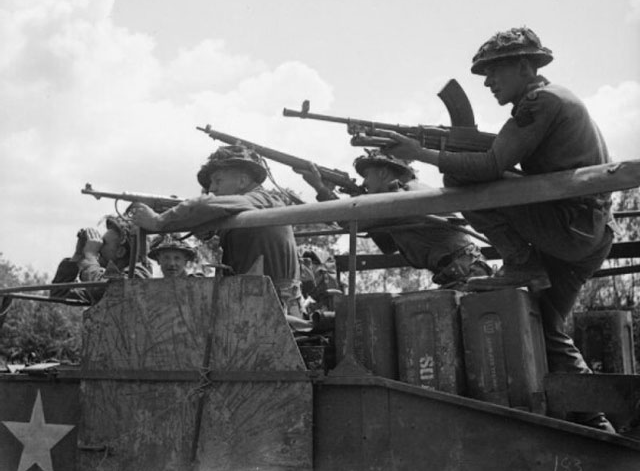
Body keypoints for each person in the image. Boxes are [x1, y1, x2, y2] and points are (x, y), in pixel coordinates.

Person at [378, 26, 617, 432]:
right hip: (588, 233)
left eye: (495, 71)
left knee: (458, 183)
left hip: (569, 226)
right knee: (547, 327)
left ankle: (521, 260)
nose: (488, 82)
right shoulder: (554, 99)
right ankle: (598, 422)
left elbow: (489, 168)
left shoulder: (539, 102)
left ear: (525, 66)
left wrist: (420, 153)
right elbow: (507, 160)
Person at [129, 145, 303, 317]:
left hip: (270, 305)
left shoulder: (262, 198)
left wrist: (158, 222)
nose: (212, 188)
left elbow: (206, 205)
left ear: (242, 181)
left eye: (218, 181)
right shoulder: (248, 208)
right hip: (258, 301)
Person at [297, 150, 491, 289]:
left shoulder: (401, 196)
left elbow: (349, 222)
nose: (364, 183)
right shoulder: (408, 192)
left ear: (382, 173)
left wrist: (321, 189)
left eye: (367, 175)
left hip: (467, 274)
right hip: (463, 271)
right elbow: (388, 246)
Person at [51, 215, 152, 303]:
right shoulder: (108, 280)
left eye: (104, 243)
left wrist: (90, 257)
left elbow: (103, 289)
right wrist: (78, 256)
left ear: (120, 252)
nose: (99, 247)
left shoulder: (138, 275)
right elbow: (59, 295)